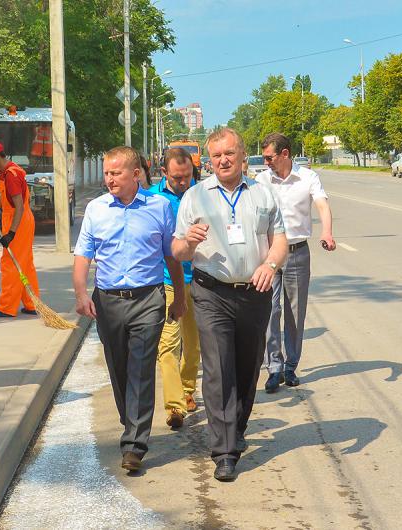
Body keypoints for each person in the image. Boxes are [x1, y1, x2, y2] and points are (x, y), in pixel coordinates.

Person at [172, 128, 288, 482]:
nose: (222, 160)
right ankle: (224, 451)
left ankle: (236, 429)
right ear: (208, 160)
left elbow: (279, 240)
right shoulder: (195, 196)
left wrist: (270, 265)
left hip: (255, 292)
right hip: (212, 293)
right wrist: (189, 244)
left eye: (229, 154)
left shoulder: (263, 194)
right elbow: (177, 252)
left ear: (241, 155)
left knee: (248, 367)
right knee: (219, 369)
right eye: (216, 155)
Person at [74, 146, 184, 473]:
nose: (109, 179)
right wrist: (81, 293)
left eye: (116, 173)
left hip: (148, 298)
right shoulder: (96, 209)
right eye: (107, 173)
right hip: (108, 300)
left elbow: (171, 256)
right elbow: (83, 255)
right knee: (119, 367)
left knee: (140, 368)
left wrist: (179, 297)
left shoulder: (160, 207)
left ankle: (135, 443)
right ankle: (130, 420)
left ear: (135, 174)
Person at [256, 133, 336, 393]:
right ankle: (274, 367)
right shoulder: (261, 180)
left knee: (294, 312)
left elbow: (322, 205)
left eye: (269, 157)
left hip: (297, 253)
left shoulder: (308, 178)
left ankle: (290, 366)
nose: (266, 162)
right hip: (269, 255)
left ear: (285, 154)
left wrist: (326, 232)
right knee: (270, 311)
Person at [148, 148, 201, 429]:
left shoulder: (202, 194)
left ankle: (188, 388)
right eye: (178, 178)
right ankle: (174, 406)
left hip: (201, 279)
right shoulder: (152, 199)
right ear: (164, 173)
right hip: (167, 280)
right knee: (168, 344)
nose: (183, 183)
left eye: (188, 177)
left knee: (193, 343)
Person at [0, 140, 39, 318]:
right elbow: (8, 202)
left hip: (18, 223)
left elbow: (18, 207)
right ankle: (32, 303)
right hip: (20, 221)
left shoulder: (11, 175)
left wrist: (11, 233)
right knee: (24, 264)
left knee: (10, 264)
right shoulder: (6, 172)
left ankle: (6, 307)